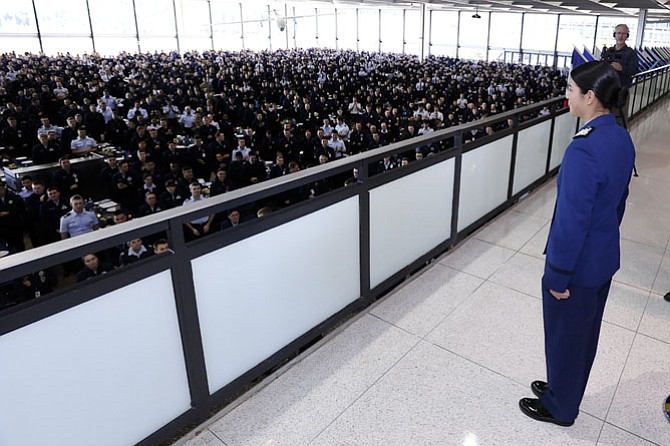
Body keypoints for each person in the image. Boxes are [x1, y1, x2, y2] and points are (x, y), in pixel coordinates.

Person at [519, 61, 635, 427]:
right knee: (582, 336)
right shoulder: (619, 136)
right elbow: (619, 201)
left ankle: (562, 407)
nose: (566, 94)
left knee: (567, 336)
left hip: (576, 268)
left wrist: (557, 274)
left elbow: (571, 222)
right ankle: (562, 387)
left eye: (571, 89)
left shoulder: (583, 150)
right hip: (601, 258)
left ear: (590, 97)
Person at [601, 24, 637, 126]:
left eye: (623, 34)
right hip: (607, 90)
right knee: (605, 116)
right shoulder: (608, 51)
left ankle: (621, 138)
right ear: (614, 35)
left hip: (621, 91)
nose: (621, 36)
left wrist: (622, 68)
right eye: (619, 33)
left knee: (621, 118)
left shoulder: (630, 53)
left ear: (627, 36)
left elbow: (634, 70)